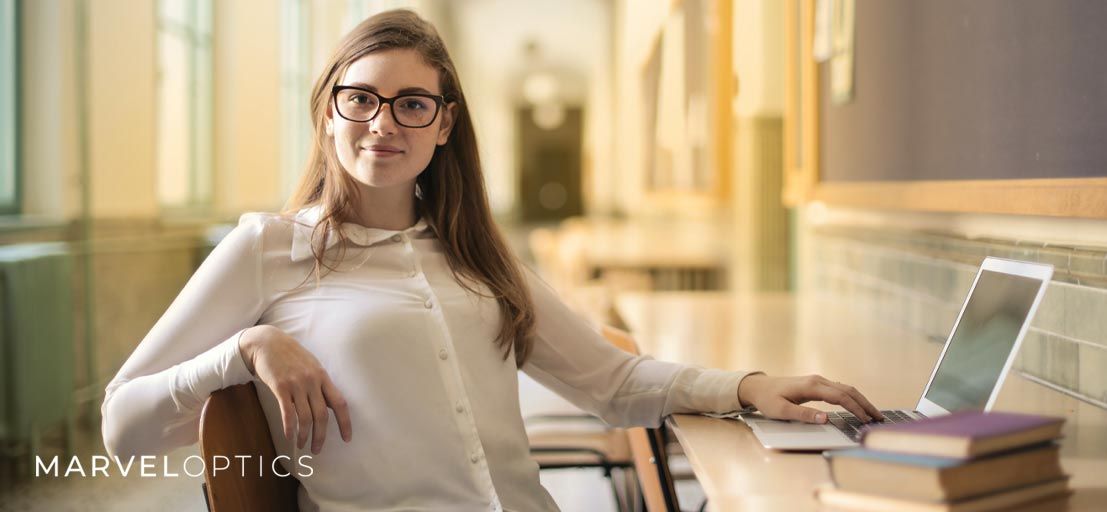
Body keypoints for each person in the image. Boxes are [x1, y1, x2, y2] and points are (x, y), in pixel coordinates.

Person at [101, 9, 883, 512]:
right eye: (360, 97)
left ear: (444, 126)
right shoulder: (268, 250)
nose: (382, 123)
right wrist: (243, 350)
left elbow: (610, 384)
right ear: (327, 110)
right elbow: (122, 427)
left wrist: (748, 387)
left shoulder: (475, 254)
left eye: (412, 103)